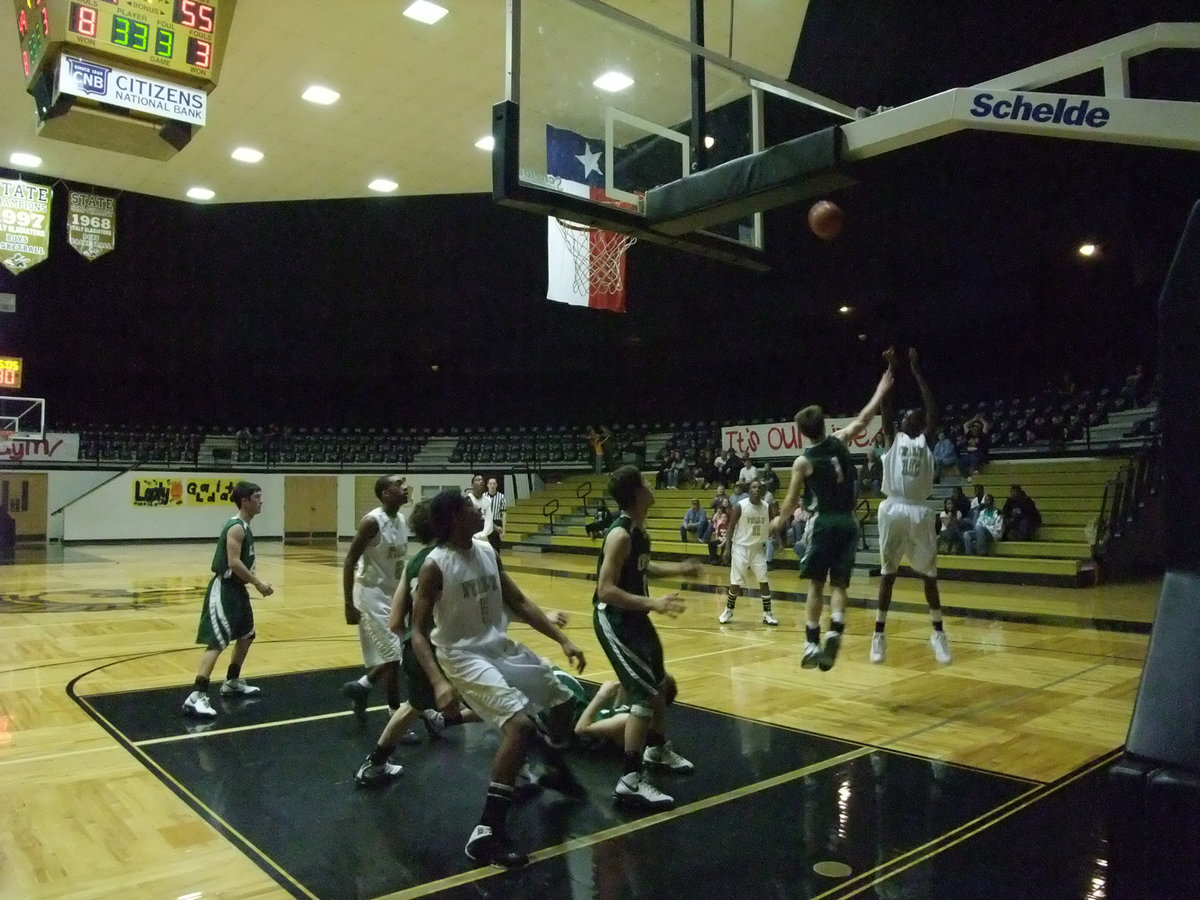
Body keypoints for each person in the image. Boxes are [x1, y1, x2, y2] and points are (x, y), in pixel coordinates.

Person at [409, 490, 586, 868]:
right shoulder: (434, 565)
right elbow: (418, 632)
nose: (479, 509)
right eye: (472, 506)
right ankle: (486, 832)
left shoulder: (487, 550)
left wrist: (563, 639)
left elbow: (518, 602)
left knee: (564, 699)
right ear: (457, 517)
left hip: (497, 645)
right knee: (519, 726)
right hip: (462, 655)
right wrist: (439, 682)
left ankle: (552, 764)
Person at [773, 361, 894, 671]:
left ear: (801, 432)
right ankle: (835, 628)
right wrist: (881, 390)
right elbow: (866, 417)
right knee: (839, 585)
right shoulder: (841, 439)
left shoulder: (803, 462)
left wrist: (777, 522)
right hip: (849, 523)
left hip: (824, 522)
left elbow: (790, 503)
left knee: (815, 585)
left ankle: (811, 642)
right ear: (825, 425)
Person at [353, 500, 481, 786]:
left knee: (413, 705)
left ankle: (375, 763)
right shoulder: (450, 560)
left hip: (418, 647)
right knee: (501, 702)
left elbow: (396, 622)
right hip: (445, 647)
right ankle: (517, 771)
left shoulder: (416, 561)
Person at [594, 465, 699, 811]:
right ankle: (630, 780)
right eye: (644, 481)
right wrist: (653, 602)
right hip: (616, 620)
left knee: (658, 684)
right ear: (636, 494)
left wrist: (678, 569)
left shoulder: (640, 533)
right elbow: (605, 590)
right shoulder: (620, 535)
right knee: (642, 694)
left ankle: (656, 748)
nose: (649, 484)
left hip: (635, 617)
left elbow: (642, 568)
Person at [869, 348, 952, 665]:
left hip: (919, 510)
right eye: (906, 416)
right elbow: (886, 407)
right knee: (888, 574)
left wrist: (917, 372)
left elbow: (934, 411)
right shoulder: (893, 439)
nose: (909, 417)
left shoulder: (925, 441)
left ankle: (938, 632)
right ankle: (878, 634)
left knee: (929, 575)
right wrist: (891, 368)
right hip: (893, 509)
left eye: (912, 416)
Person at [182, 481, 274, 718]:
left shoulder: (244, 526)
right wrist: (258, 583)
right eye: (257, 496)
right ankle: (196, 695)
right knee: (217, 641)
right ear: (245, 501)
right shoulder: (236, 527)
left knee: (247, 635)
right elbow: (233, 562)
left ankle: (232, 681)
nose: (261, 501)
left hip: (237, 591)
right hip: (225, 590)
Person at [341, 474, 410, 727]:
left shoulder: (401, 519)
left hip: (394, 595)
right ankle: (395, 715)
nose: (405, 488)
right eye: (398, 485)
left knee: (397, 653)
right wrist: (348, 604)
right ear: (385, 493)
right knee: (393, 656)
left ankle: (362, 686)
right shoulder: (372, 522)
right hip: (371, 594)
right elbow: (349, 561)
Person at [719, 480, 777, 626]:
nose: (757, 489)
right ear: (749, 490)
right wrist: (727, 548)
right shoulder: (740, 506)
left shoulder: (767, 507)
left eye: (759, 487)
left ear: (763, 491)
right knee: (736, 584)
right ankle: (728, 610)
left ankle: (768, 613)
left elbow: (773, 525)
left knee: (763, 581)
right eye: (754, 487)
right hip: (740, 548)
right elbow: (731, 527)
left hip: (757, 549)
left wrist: (779, 543)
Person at [484, 476, 507, 553]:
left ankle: (495, 563)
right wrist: (495, 527)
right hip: (486, 522)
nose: (492, 485)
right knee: (485, 547)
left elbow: (504, 514)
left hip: (496, 520)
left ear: (496, 485)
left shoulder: (501, 497)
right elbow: (482, 514)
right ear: (487, 485)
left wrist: (504, 530)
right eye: (490, 483)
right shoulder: (483, 496)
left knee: (496, 548)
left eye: (494, 483)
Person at [706, 498, 731, 564]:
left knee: (724, 547)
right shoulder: (720, 525)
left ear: (727, 518)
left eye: (725, 517)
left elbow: (728, 537)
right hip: (721, 539)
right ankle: (713, 559)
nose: (723, 518)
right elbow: (719, 534)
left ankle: (722, 561)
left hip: (727, 541)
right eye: (722, 517)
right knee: (711, 544)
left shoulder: (729, 525)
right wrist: (719, 539)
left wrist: (722, 543)